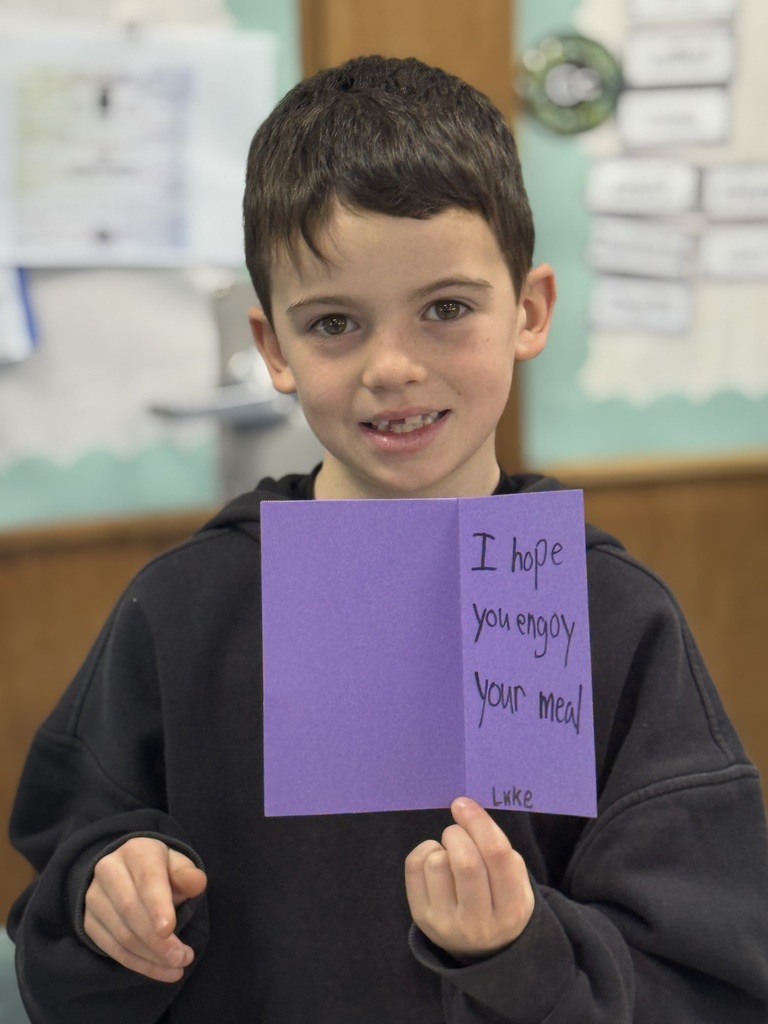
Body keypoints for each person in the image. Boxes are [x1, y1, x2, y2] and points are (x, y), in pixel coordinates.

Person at [7, 55, 768, 1024]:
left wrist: (520, 952)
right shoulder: (184, 609)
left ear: (528, 311)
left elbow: (706, 976)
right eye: (334, 323)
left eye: (446, 308)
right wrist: (106, 892)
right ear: (275, 347)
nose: (394, 367)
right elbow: (60, 905)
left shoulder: (612, 618)